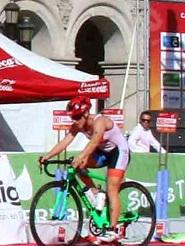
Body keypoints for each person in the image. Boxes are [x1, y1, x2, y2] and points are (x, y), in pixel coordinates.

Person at [41, 96, 125, 225]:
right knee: (78, 166)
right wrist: (47, 156)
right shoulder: (77, 125)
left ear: (86, 113)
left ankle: (112, 230)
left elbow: (95, 140)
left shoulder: (100, 121)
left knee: (111, 189)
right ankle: (96, 193)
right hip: (102, 152)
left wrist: (81, 156)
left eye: (77, 117)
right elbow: (65, 141)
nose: (75, 121)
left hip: (118, 152)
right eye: (72, 118)